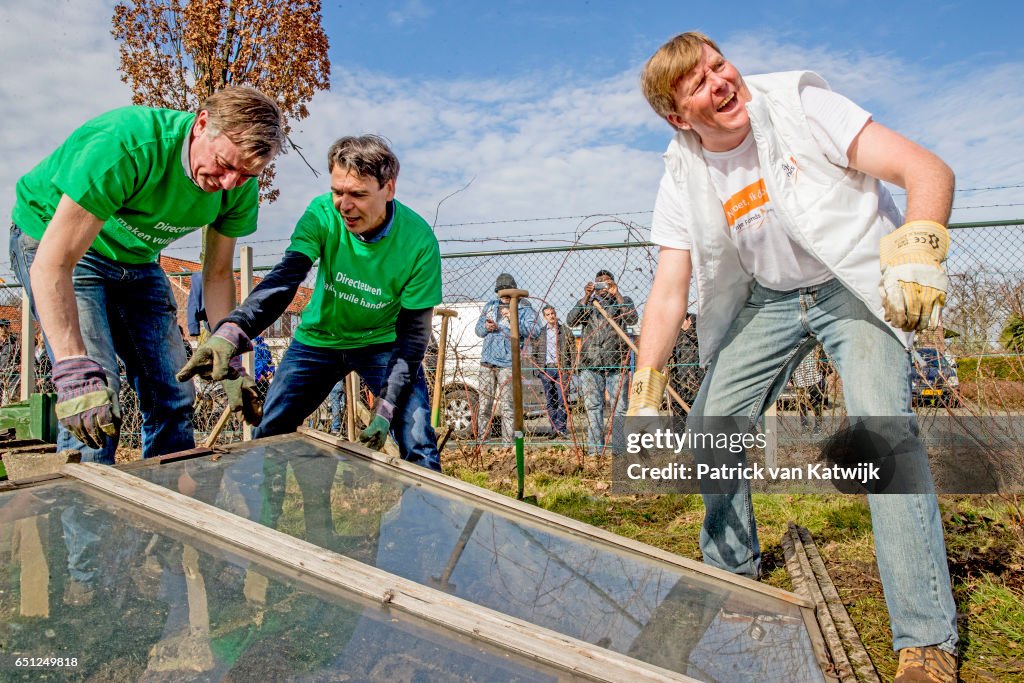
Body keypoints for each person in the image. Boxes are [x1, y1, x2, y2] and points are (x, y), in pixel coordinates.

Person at [630, 32, 958, 680]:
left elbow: (927, 170)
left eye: (718, 66)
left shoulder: (803, 106)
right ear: (677, 115)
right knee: (709, 426)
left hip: (852, 284)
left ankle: (925, 640)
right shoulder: (683, 171)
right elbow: (668, 292)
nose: (721, 83)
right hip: (772, 298)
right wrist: (644, 387)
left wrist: (920, 249)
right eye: (697, 83)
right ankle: (732, 570)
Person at [9, 86, 285, 463]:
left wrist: (228, 352)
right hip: (58, 246)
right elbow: (52, 264)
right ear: (202, 124)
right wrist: (73, 367)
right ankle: (84, 519)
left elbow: (218, 273)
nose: (227, 183)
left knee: (175, 392)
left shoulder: (238, 185)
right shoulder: (127, 145)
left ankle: (164, 509)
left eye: (245, 174)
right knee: (94, 396)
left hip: (138, 261)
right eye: (224, 164)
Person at [178, 135, 442, 472]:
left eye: (358, 195)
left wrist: (386, 410)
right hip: (318, 341)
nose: (344, 206)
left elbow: (412, 339)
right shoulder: (321, 214)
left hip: (383, 344)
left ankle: (425, 524)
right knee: (268, 430)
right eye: (338, 192)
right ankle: (264, 516)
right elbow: (287, 278)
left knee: (418, 437)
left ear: (388, 189)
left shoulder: (418, 243)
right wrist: (232, 330)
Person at [568, 270, 638, 454]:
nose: (603, 286)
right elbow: (571, 321)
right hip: (590, 363)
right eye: (599, 282)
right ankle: (594, 450)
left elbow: (632, 318)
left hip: (616, 363)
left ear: (613, 284)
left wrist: (618, 295)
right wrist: (585, 297)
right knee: (593, 407)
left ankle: (619, 449)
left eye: (607, 282)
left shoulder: (622, 301)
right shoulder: (589, 304)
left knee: (620, 407)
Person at [474, 273, 539, 443]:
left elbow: (535, 331)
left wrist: (512, 318)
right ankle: (482, 443)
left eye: (506, 292)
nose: (503, 296)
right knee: (483, 407)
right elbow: (478, 330)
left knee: (508, 407)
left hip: (508, 364)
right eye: (500, 292)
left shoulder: (524, 308)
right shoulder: (490, 306)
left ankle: (508, 445)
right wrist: (486, 326)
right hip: (486, 362)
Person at [531, 305, 575, 438]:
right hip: (546, 369)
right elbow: (534, 353)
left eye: (553, 313)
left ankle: (561, 428)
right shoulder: (540, 333)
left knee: (562, 399)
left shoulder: (565, 332)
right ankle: (553, 428)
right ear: (545, 317)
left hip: (561, 369)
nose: (551, 316)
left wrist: (570, 369)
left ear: (555, 314)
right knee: (550, 400)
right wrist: (538, 370)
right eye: (548, 314)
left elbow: (573, 351)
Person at [667, 312, 702, 417]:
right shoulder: (671, 326)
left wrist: (688, 328)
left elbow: (702, 341)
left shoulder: (695, 320)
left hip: (694, 380)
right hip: (676, 383)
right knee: (678, 417)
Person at [791, 344, 827, 435]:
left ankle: (818, 426)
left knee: (816, 403)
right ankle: (805, 427)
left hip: (815, 378)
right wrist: (792, 378)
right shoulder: (794, 345)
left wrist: (823, 374)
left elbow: (824, 360)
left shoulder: (816, 345)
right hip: (799, 378)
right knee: (802, 405)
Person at [0, 321, 21, 404]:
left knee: (7, 403)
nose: (1, 329)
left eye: (2, 327)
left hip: (10, 377)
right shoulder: (2, 344)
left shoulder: (13, 343)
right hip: (2, 378)